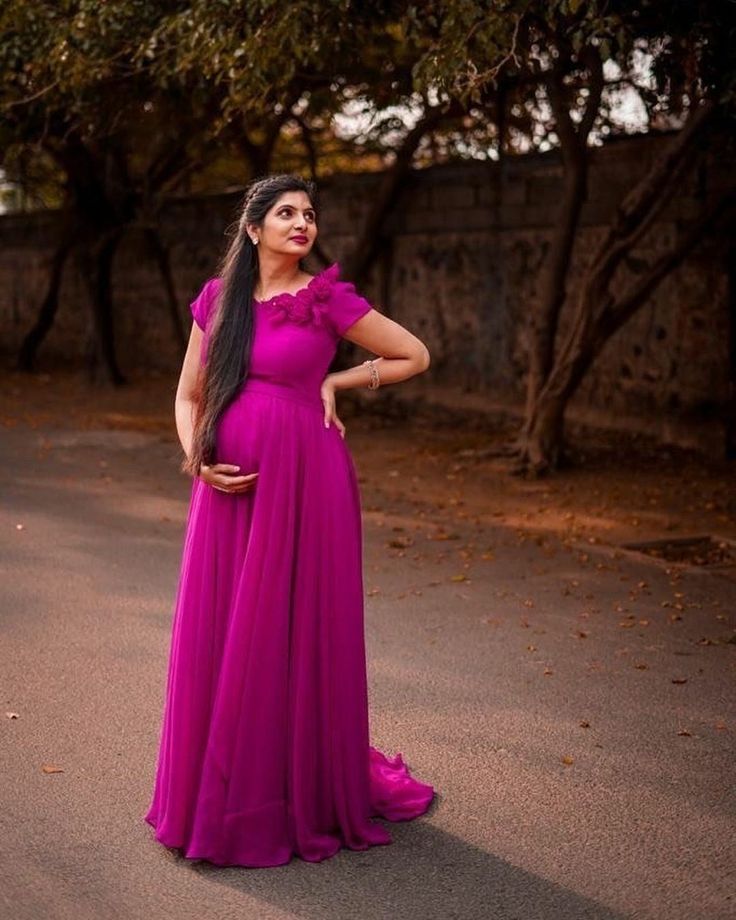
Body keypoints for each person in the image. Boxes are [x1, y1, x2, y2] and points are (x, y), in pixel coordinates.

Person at [143, 173, 436, 868]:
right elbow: (187, 397)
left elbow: (413, 355)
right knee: (229, 632)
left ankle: (295, 790)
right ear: (253, 229)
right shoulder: (218, 302)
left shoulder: (326, 298)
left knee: (294, 628)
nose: (302, 223)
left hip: (311, 487)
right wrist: (197, 458)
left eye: (309, 213)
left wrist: (339, 380)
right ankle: (223, 790)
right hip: (228, 489)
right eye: (285, 213)